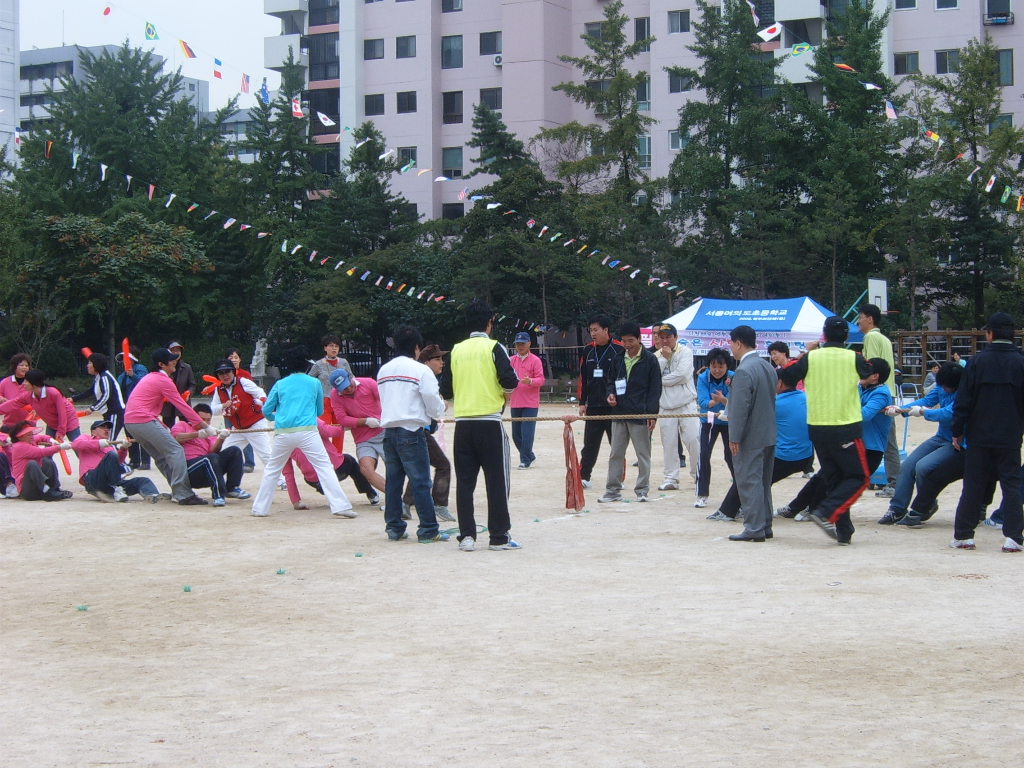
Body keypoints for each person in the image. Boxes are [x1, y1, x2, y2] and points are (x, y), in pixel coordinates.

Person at [441, 300, 521, 551]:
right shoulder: (494, 347)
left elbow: (446, 389)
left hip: (463, 424)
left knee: (465, 482)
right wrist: (502, 393)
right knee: (496, 480)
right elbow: (510, 380)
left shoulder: (455, 350)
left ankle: (467, 537)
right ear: (490, 323)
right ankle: (498, 537)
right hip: (489, 422)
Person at [787, 316, 873, 545]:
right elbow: (869, 373)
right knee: (859, 477)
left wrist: (805, 354)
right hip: (845, 426)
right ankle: (825, 511)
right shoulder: (854, 357)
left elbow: (787, 376)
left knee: (835, 477)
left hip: (818, 427)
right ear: (846, 336)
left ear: (823, 336)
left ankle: (844, 531)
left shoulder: (811, 358)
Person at [949, 312, 1024, 552]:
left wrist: (958, 430)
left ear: (989, 334)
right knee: (1011, 485)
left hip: (979, 435)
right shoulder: (1021, 362)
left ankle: (964, 535)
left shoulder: (976, 362)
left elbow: (963, 402)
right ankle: (1013, 537)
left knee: (973, 484)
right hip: (1010, 435)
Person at [251, 348, 355, 518]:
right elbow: (319, 410)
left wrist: (276, 418)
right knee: (324, 467)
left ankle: (260, 509)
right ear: (306, 366)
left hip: (283, 432)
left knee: (272, 469)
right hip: (307, 431)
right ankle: (341, 506)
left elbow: (266, 410)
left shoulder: (280, 384)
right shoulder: (314, 383)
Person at [377, 325, 449, 542]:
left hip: (389, 432)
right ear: (417, 347)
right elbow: (431, 398)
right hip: (411, 430)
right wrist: (439, 410)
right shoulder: (421, 370)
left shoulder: (384, 370)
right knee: (421, 481)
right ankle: (428, 529)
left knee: (394, 481)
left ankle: (394, 527)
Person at [711, 365, 812, 521]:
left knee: (748, 473)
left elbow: (747, 417)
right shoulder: (805, 397)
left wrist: (728, 406)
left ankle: (727, 511)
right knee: (762, 476)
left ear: (779, 383)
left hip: (785, 457)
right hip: (806, 457)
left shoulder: (776, 403)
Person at [877, 362, 962, 526]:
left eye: (947, 387)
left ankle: (926, 504)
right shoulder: (941, 387)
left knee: (923, 467)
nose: (944, 390)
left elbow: (948, 413)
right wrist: (900, 409)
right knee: (907, 466)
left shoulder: (965, 393)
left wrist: (923, 412)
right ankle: (897, 508)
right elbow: (927, 400)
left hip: (956, 441)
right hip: (941, 437)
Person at [124, 348, 209, 505]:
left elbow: (146, 406)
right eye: (171, 360)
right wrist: (203, 426)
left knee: (162, 457)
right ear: (161, 364)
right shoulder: (163, 380)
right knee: (175, 450)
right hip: (143, 420)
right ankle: (183, 494)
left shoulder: (151, 377)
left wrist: (162, 426)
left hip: (132, 422)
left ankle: (180, 491)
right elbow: (181, 405)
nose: (175, 361)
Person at [722, 326, 778, 542]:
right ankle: (765, 524)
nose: (731, 348)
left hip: (750, 435)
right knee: (763, 481)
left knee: (748, 480)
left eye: (731, 343)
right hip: (768, 432)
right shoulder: (767, 366)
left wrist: (734, 436)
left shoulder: (744, 370)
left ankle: (754, 527)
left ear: (738, 343)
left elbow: (740, 408)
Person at [598, 321, 662, 504]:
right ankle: (612, 490)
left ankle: (642, 490)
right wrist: (610, 393)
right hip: (619, 412)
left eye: (631, 340)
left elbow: (655, 389)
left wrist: (652, 414)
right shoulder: (618, 358)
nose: (627, 345)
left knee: (643, 454)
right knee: (616, 453)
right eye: (624, 341)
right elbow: (610, 380)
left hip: (640, 414)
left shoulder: (650, 360)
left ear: (640, 339)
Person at [401, 345, 453, 522]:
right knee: (443, 465)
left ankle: (405, 504)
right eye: (437, 359)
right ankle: (439, 504)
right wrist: (441, 405)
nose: (442, 362)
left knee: (419, 468)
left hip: (414, 430)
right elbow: (431, 406)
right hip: (419, 431)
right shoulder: (425, 376)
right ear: (426, 362)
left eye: (441, 359)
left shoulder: (418, 377)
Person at [281, 421, 377, 510]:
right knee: (349, 460)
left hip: (313, 480)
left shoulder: (281, 436)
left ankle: (326, 489)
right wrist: (346, 426)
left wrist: (295, 501)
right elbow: (329, 431)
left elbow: (288, 473)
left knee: (319, 471)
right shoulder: (309, 417)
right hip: (335, 469)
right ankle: (371, 493)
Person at [577, 314, 624, 488]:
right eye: (591, 330)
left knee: (616, 444)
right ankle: (584, 477)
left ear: (606, 330)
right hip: (594, 406)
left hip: (613, 406)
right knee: (589, 444)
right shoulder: (588, 350)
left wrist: (621, 400)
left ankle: (618, 477)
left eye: (596, 330)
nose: (593, 334)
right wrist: (582, 402)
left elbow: (622, 377)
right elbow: (583, 377)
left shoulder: (619, 349)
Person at [171, 403, 250, 507]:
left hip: (208, 467)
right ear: (193, 417)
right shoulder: (182, 425)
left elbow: (213, 451)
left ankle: (231, 488)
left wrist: (221, 438)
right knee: (209, 459)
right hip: (188, 471)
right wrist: (197, 434)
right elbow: (176, 438)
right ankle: (218, 495)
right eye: (202, 419)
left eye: (208, 420)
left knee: (234, 451)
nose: (205, 423)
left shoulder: (209, 431)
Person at [858, 304, 900, 496]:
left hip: (878, 392)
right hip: (885, 390)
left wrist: (862, 380)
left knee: (886, 440)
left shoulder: (871, 337)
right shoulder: (884, 338)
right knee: (877, 438)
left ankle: (894, 482)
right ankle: (870, 478)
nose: (858, 321)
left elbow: (872, 366)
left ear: (870, 319)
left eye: (861, 317)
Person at [654, 323, 700, 491]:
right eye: (662, 337)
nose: (665, 340)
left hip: (687, 404)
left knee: (693, 439)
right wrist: (664, 359)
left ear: (675, 337)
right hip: (666, 406)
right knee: (669, 444)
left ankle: (698, 474)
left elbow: (682, 375)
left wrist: (660, 381)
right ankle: (671, 478)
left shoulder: (685, 352)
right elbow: (653, 377)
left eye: (668, 337)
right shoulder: (656, 356)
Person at [329, 368, 386, 499]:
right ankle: (395, 497)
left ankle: (407, 497)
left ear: (351, 378)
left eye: (348, 385)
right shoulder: (335, 395)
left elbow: (386, 400)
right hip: (363, 439)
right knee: (366, 470)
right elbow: (342, 419)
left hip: (384, 433)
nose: (348, 389)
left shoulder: (369, 383)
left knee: (395, 466)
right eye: (343, 389)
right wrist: (365, 421)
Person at [72, 419, 160, 503]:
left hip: (110, 482)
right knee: (111, 455)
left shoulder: (110, 446)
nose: (106, 430)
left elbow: (117, 463)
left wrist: (123, 448)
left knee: (143, 481)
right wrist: (99, 443)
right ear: (93, 431)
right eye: (102, 427)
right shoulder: (86, 438)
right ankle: (116, 488)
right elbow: (75, 444)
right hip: (93, 479)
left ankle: (154, 496)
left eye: (108, 428)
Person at [208, 359, 272, 469]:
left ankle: (283, 481)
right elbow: (213, 410)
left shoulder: (243, 382)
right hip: (237, 429)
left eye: (227, 372)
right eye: (221, 373)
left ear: (233, 372)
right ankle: (223, 482)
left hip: (255, 424)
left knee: (266, 455)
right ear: (217, 376)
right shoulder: (218, 390)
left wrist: (260, 402)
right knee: (225, 454)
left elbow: (260, 393)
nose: (225, 375)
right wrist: (223, 405)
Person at [694, 347, 734, 508]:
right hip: (709, 420)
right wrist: (719, 401)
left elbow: (737, 401)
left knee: (731, 456)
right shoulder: (704, 378)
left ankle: (740, 491)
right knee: (704, 455)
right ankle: (702, 494)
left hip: (730, 421)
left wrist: (722, 400)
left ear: (727, 367)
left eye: (721, 366)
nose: (717, 370)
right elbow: (703, 403)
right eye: (713, 366)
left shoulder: (734, 377)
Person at [0, 420, 73, 501]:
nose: (31, 436)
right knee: (32, 464)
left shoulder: (29, 440)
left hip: (36, 486)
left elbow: (42, 437)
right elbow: (41, 452)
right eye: (28, 434)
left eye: (31, 433)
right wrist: (59, 447)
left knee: (47, 461)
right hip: (27, 491)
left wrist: (51, 440)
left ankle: (54, 488)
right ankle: (46, 491)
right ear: (20, 437)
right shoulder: (19, 446)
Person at [509, 332, 545, 469]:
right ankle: (530, 455)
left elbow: (541, 379)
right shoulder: (511, 360)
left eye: (522, 343)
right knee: (516, 434)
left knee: (527, 434)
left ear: (529, 343)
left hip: (530, 403)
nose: (520, 346)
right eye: (518, 344)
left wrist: (530, 381)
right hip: (516, 402)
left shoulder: (535, 360)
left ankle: (525, 460)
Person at [72, 353, 126, 440]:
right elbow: (90, 391)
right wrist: (74, 399)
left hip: (116, 413)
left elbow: (106, 395)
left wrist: (92, 408)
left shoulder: (104, 377)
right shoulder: (99, 377)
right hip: (108, 413)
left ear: (96, 364)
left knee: (109, 442)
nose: (87, 365)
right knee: (106, 441)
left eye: (89, 363)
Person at [16, 369, 81, 441]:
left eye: (26, 381)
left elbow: (62, 413)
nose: (23, 383)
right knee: (48, 447)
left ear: (33, 383)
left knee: (78, 446)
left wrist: (61, 431)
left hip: (69, 420)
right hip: (52, 424)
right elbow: (15, 402)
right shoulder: (30, 395)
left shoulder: (53, 393)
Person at [116, 347, 151, 470]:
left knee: (142, 434)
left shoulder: (140, 368)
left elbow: (145, 383)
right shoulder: (122, 375)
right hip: (127, 407)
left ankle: (146, 461)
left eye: (126, 358)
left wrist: (133, 375)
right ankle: (134, 460)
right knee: (129, 434)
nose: (124, 361)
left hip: (140, 406)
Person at [226, 348, 257, 473]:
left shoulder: (245, 375)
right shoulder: (222, 374)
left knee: (247, 436)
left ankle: (249, 462)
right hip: (229, 410)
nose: (233, 360)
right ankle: (230, 462)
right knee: (230, 435)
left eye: (236, 357)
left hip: (243, 410)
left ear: (240, 359)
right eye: (230, 357)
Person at [160, 341, 197, 428]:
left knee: (187, 426)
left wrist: (188, 393)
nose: (176, 352)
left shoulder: (187, 367)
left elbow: (192, 384)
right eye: (173, 350)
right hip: (168, 404)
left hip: (183, 401)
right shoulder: (164, 367)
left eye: (178, 350)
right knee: (168, 428)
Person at [0, 353, 33, 427]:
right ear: (14, 367)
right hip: (8, 424)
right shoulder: (5, 382)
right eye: (21, 365)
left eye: (26, 365)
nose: (24, 368)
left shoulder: (32, 383)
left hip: (28, 425)